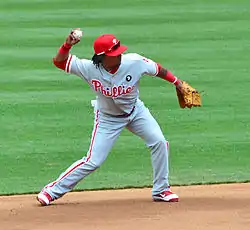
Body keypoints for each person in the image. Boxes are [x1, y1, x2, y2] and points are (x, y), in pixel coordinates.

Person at [37, 29, 184, 206]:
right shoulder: (88, 68)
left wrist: (177, 83)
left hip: (136, 112)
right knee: (93, 160)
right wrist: (67, 45)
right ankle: (51, 191)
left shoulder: (134, 61)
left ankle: (161, 190)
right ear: (101, 57)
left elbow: (158, 70)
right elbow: (59, 62)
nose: (119, 55)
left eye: (119, 51)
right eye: (114, 53)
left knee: (159, 142)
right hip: (108, 118)